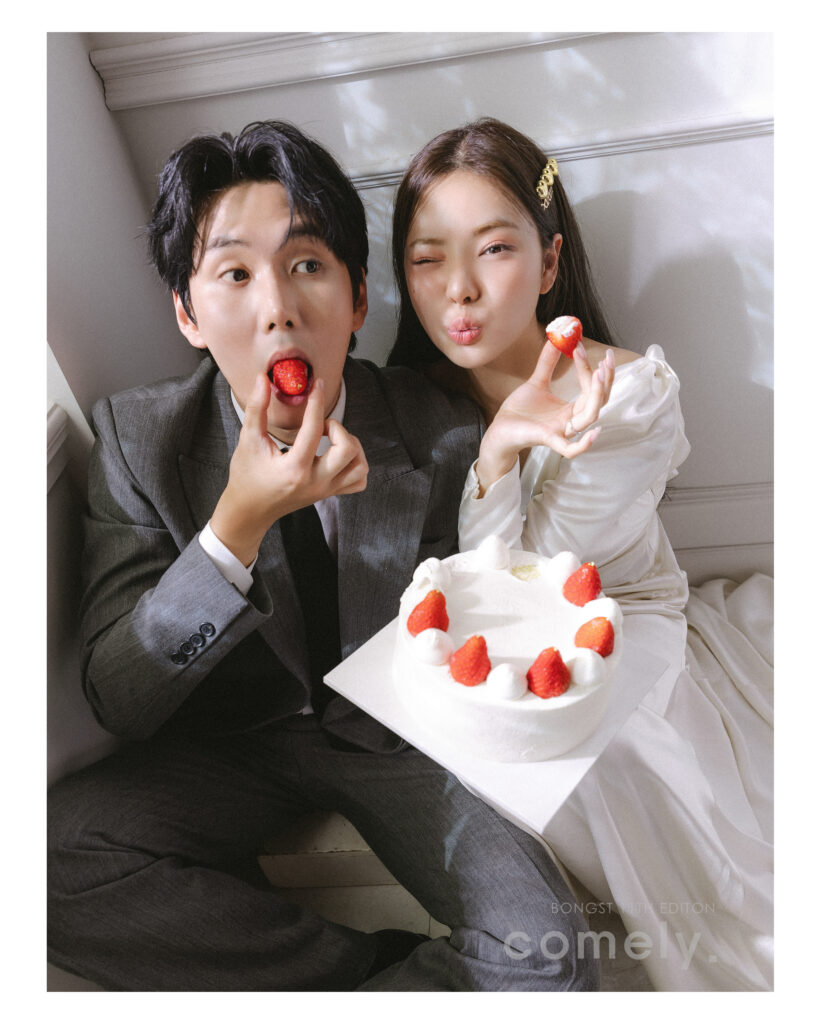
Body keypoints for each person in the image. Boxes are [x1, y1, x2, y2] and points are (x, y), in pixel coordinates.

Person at [47, 120, 599, 992]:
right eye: (234, 274)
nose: (277, 308)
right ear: (188, 314)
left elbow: (501, 609)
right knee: (47, 864)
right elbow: (120, 699)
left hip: (401, 742)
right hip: (231, 745)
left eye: (306, 264)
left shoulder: (440, 426)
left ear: (358, 297)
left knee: (550, 959)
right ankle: (361, 981)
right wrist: (232, 530)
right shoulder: (138, 440)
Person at [388, 117, 774, 991]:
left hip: (620, 617)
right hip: (481, 651)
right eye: (426, 258)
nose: (459, 290)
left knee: (601, 750)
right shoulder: (404, 402)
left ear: (549, 262)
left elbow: (533, 584)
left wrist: (498, 454)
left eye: (493, 249)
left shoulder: (628, 396)